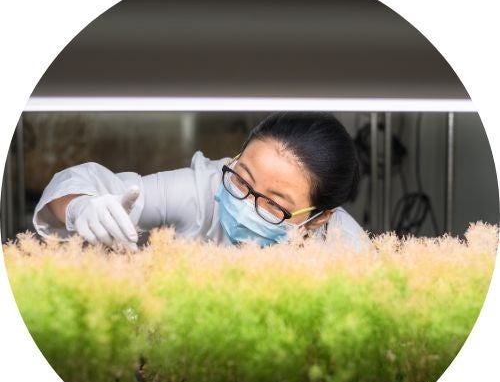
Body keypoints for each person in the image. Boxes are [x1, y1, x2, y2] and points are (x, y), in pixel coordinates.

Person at [33, 112, 371, 251]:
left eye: (273, 204)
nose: (244, 204)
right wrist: (81, 206)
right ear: (235, 158)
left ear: (320, 217)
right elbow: (79, 182)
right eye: (242, 179)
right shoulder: (203, 190)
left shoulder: (352, 251)